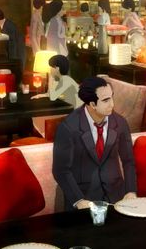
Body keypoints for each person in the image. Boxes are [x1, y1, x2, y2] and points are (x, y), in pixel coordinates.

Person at [52, 77, 138, 209]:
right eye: (106, 100)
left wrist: (131, 191)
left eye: (112, 97)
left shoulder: (120, 123)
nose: (112, 104)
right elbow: (60, 170)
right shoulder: (68, 127)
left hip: (117, 196)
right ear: (92, 104)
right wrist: (79, 200)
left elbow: (129, 161)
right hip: (83, 198)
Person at [31, 54, 82, 136]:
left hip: (76, 115)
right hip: (68, 111)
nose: (50, 70)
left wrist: (51, 79)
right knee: (38, 117)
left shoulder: (66, 80)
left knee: (38, 117)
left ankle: (49, 138)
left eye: (51, 67)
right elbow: (52, 94)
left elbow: (53, 96)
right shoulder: (61, 79)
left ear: (57, 68)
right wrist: (42, 95)